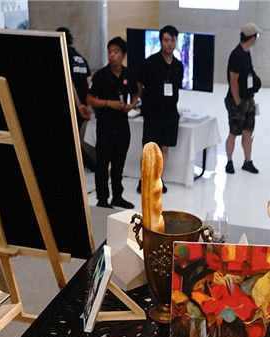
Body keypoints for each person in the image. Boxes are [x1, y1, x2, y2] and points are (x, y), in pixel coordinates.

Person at [86, 37, 139, 209]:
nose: (112, 55)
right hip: (105, 126)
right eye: (109, 51)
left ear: (123, 55)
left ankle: (117, 196)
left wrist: (132, 105)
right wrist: (109, 103)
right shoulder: (101, 75)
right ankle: (102, 199)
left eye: (116, 52)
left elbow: (137, 93)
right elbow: (90, 99)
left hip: (122, 126)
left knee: (119, 164)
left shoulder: (129, 74)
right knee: (102, 164)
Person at [136, 25, 182, 193]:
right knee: (150, 149)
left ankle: (158, 179)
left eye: (172, 40)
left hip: (170, 113)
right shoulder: (151, 62)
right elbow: (139, 83)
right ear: (161, 41)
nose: (169, 44)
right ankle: (144, 180)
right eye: (166, 40)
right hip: (153, 112)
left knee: (164, 148)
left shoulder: (178, 65)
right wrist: (142, 98)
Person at [225, 22, 262, 174]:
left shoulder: (246, 52)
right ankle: (229, 161)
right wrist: (238, 102)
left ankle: (248, 161)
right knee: (233, 132)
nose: (257, 39)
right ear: (251, 37)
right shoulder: (236, 55)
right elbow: (233, 81)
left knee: (248, 131)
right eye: (256, 36)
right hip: (237, 101)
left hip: (248, 99)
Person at [57, 27, 91, 124]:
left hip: (71, 107)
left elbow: (69, 82)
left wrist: (78, 105)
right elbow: (90, 84)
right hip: (83, 108)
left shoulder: (64, 57)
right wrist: (89, 106)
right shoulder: (82, 59)